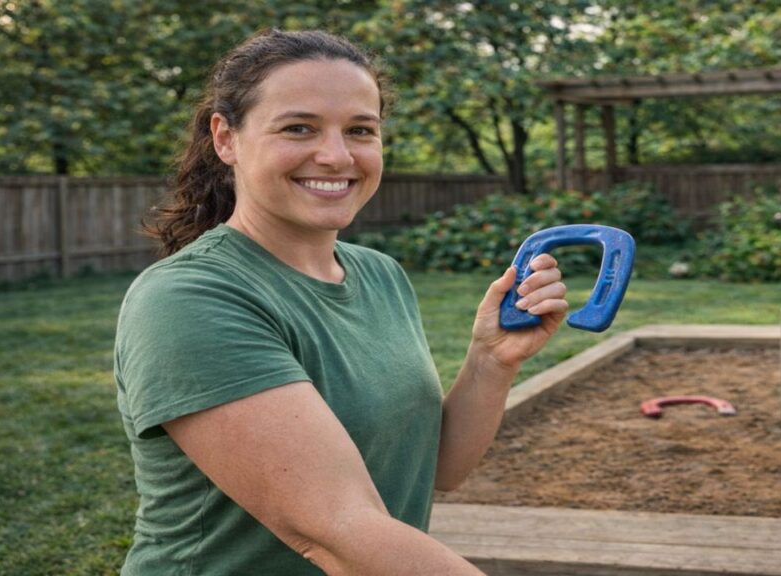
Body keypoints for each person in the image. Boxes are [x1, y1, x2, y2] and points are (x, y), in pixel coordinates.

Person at [114, 28, 568, 575]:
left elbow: (432, 470)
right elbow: (337, 531)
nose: (336, 156)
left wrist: (490, 362)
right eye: (298, 128)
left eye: (360, 130)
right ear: (226, 138)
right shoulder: (189, 300)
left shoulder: (379, 274)